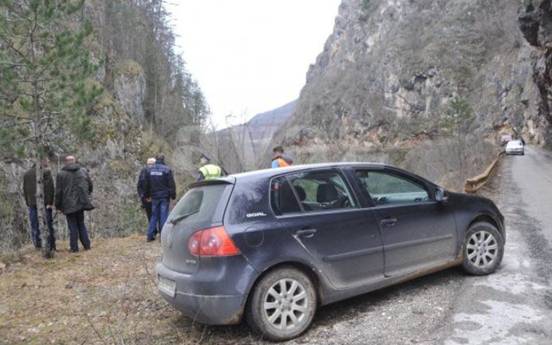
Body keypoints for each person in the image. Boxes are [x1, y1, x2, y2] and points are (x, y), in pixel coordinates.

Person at [55, 155, 94, 252]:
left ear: (66, 162)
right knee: (81, 223)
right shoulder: (83, 171)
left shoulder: (61, 174)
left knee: (72, 225)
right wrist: (87, 194)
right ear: (75, 161)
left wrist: (57, 205)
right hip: (81, 202)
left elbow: (58, 192)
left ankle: (74, 248)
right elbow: (90, 184)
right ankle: (87, 245)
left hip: (68, 204)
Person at [23, 159, 56, 251]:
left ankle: (37, 245)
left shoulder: (27, 174)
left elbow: (25, 190)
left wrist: (28, 202)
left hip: (32, 204)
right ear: (42, 161)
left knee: (35, 225)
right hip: (45, 203)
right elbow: (50, 189)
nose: (48, 162)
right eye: (46, 161)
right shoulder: (46, 172)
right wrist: (50, 202)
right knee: (47, 224)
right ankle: (50, 246)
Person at [144, 154, 176, 242]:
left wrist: (147, 195)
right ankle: (162, 236)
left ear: (156, 159)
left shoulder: (149, 170)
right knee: (163, 216)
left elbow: (147, 184)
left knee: (154, 216)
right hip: (164, 197)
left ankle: (150, 236)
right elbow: (171, 184)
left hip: (154, 196)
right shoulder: (167, 170)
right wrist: (173, 195)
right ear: (163, 159)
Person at [137, 157, 156, 227]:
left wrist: (142, 196)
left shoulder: (143, 171)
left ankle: (152, 231)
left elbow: (139, 185)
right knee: (155, 214)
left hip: (146, 197)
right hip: (153, 196)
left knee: (150, 215)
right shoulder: (155, 171)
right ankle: (154, 230)